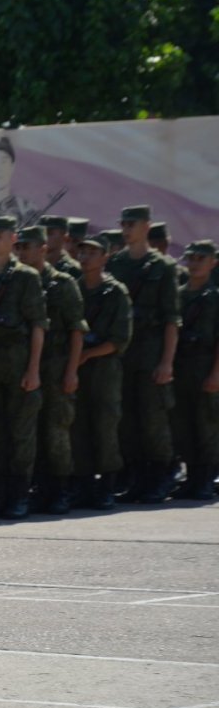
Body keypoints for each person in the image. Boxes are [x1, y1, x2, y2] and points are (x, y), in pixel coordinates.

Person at [0, 216, 47, 519]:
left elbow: (38, 326)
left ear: (13, 239)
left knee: (21, 433)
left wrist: (33, 369)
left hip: (17, 360)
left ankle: (18, 495)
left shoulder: (26, 277)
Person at [106, 205, 180, 503]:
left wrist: (166, 362)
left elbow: (171, 319)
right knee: (127, 419)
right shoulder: (117, 265)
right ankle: (136, 477)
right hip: (124, 351)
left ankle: (161, 476)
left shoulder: (163, 267)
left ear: (146, 226)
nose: (126, 229)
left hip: (150, 350)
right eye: (123, 223)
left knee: (153, 417)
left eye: (132, 223)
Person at [16, 226, 86, 515]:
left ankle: (59, 491)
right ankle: (37, 489)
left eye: (28, 246)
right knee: (28, 431)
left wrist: (71, 371)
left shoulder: (62, 283)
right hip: (25, 365)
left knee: (56, 430)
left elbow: (76, 331)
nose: (22, 251)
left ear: (43, 248)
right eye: (19, 246)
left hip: (55, 364)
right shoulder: (18, 282)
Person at [72, 235, 132, 509]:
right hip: (78, 367)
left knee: (105, 426)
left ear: (105, 257)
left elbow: (119, 339)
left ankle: (107, 486)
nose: (85, 257)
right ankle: (83, 486)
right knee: (79, 427)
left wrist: (87, 354)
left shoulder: (115, 291)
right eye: (82, 252)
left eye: (92, 253)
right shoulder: (74, 289)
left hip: (103, 369)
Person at [169, 241, 218, 500]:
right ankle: (191, 477)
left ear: (213, 262)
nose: (195, 263)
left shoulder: (215, 297)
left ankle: (205, 479)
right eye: (191, 258)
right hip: (181, 365)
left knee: (206, 425)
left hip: (205, 365)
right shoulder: (178, 295)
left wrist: (215, 374)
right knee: (183, 425)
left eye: (202, 258)